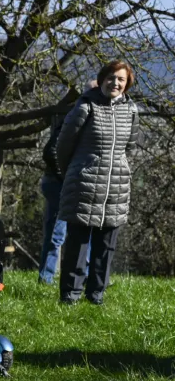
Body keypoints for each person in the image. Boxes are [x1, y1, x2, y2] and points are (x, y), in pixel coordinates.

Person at [56, 61, 139, 305]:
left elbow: (130, 147)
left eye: (121, 79)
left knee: (106, 246)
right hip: (84, 184)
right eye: (111, 78)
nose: (115, 83)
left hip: (116, 188)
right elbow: (63, 146)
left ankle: (96, 295)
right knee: (77, 245)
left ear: (127, 84)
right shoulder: (85, 106)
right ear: (102, 79)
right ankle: (70, 296)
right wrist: (75, 172)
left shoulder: (131, 110)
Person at [39, 80, 97, 285]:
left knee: (83, 232)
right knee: (57, 234)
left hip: (70, 183)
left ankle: (84, 276)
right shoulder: (75, 116)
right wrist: (67, 176)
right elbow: (51, 152)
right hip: (59, 183)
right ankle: (46, 278)